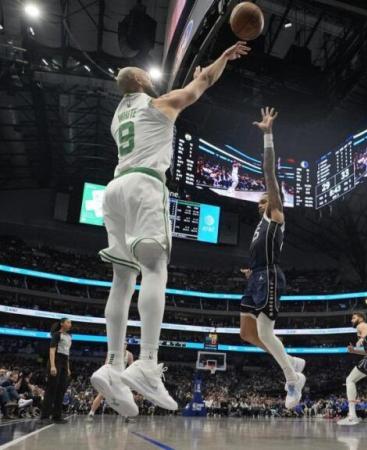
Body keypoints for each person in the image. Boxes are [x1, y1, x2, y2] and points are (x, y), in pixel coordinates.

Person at [90, 40, 251, 417]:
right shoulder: (157, 104)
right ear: (144, 81)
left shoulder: (118, 117)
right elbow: (202, 85)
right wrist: (222, 58)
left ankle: (113, 366)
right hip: (146, 186)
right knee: (154, 269)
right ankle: (146, 362)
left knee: (122, 280)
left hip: (114, 191)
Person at [238, 107, 306, 409]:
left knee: (266, 331)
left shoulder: (275, 211)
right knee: (247, 333)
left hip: (271, 276)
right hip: (257, 277)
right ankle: (289, 360)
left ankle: (292, 379)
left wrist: (268, 135)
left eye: (268, 193)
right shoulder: (260, 223)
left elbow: (269, 173)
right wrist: (250, 273)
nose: (262, 195)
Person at [87, 347, 134, 422]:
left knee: (124, 398)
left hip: (120, 379)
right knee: (101, 395)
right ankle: (91, 414)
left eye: (125, 343)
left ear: (126, 345)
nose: (123, 344)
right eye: (122, 343)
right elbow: (106, 364)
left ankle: (126, 417)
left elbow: (132, 368)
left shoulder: (129, 355)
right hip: (111, 376)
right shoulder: (113, 352)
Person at [41, 318, 72, 424]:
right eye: (68, 322)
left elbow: (67, 353)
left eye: (70, 323)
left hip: (64, 362)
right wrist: (53, 366)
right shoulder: (56, 335)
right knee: (51, 389)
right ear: (62, 324)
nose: (70, 324)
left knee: (61, 390)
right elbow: (52, 350)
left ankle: (56, 416)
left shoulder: (69, 336)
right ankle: (44, 417)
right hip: (56, 361)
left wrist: (67, 368)